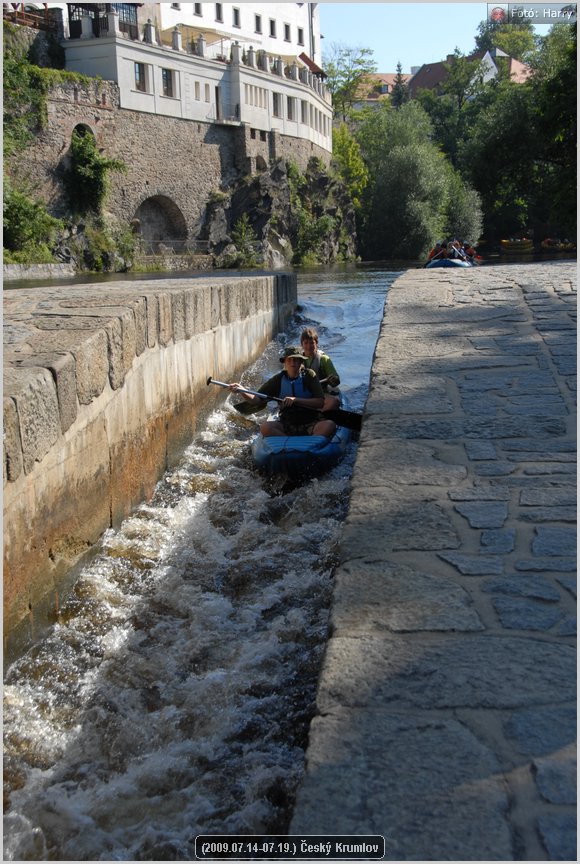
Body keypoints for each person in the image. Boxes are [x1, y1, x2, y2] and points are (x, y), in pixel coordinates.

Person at [229, 346, 336, 438]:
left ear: (301, 362)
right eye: (289, 360)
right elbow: (256, 400)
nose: (293, 363)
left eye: (296, 359)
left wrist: (296, 400)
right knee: (265, 427)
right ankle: (290, 443)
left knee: (329, 425)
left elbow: (320, 402)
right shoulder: (278, 380)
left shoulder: (309, 375)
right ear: (284, 362)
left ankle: (311, 443)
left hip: (311, 422)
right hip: (288, 424)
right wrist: (242, 390)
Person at [300, 328, 341, 412]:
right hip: (302, 394)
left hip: (321, 394)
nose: (309, 346)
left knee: (334, 402)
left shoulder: (324, 359)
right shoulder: (296, 360)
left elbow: (336, 382)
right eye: (306, 343)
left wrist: (333, 379)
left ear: (317, 343)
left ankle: (318, 415)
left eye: (312, 343)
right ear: (302, 344)